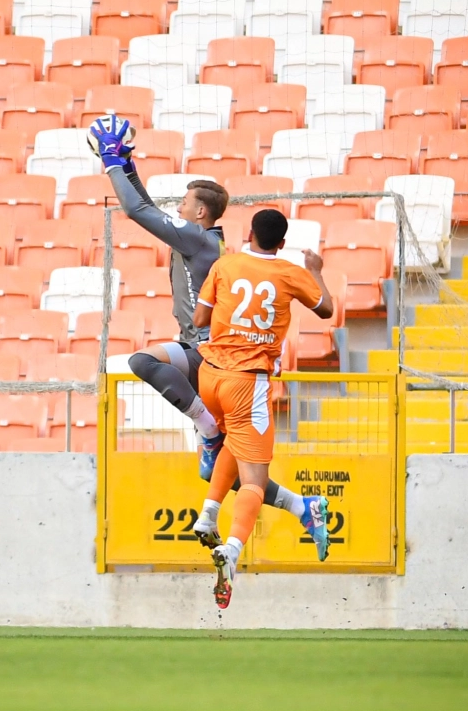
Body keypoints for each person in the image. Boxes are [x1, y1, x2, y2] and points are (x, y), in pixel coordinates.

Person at [88, 115, 323, 536]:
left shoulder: (197, 239)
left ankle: (210, 431)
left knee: (144, 364)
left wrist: (110, 163)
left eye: (183, 203)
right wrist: (129, 167)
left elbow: (137, 211)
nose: (177, 209)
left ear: (200, 212)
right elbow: (150, 209)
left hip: (211, 354)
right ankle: (299, 505)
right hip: (200, 346)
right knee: (217, 472)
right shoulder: (199, 237)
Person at [192, 208, 335, 609]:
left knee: (231, 446)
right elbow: (326, 310)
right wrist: (316, 270)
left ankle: (209, 513)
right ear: (282, 243)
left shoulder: (225, 264)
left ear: (249, 234)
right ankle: (233, 550)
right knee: (254, 478)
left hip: (210, 374)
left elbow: (200, 317)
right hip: (247, 381)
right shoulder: (290, 273)